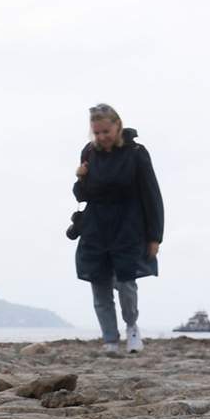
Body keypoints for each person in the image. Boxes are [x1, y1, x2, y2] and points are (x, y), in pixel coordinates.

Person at [73, 102, 163, 354]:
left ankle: (132, 327)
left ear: (117, 126)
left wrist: (155, 236)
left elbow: (152, 194)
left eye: (106, 132)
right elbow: (82, 195)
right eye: (97, 133)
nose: (101, 137)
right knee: (99, 284)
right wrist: (80, 177)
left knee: (126, 284)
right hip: (95, 227)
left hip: (129, 226)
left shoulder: (136, 153)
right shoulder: (89, 153)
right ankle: (109, 339)